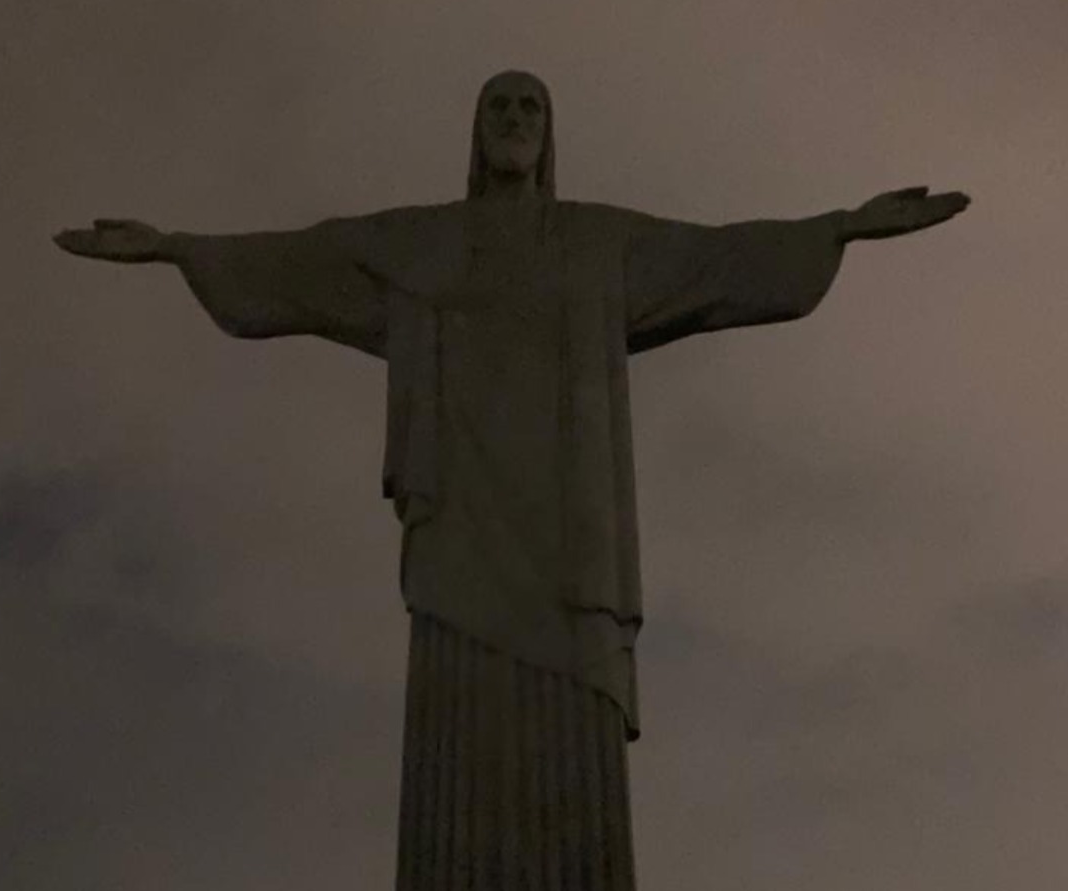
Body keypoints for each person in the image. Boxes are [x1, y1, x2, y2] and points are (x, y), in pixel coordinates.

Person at [54, 69, 970, 891]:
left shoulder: (596, 242)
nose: (514, 120)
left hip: (572, 540)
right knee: (459, 725)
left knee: (571, 730)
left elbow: (716, 258)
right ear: (475, 132)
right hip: (459, 523)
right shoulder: (422, 241)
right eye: (498, 106)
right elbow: (307, 259)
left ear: (549, 135)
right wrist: (176, 246)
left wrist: (841, 225)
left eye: (530, 107)